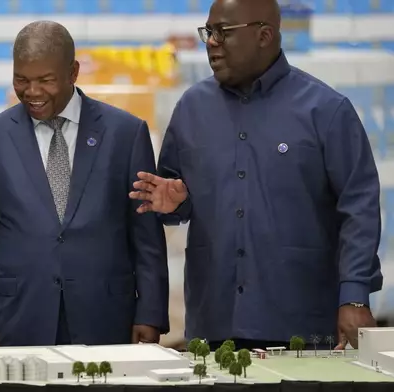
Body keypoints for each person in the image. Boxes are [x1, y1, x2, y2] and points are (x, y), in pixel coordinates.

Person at [129, 0, 382, 351]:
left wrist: (354, 297)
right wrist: (175, 203)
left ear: (264, 35)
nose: (211, 42)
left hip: (303, 327)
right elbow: (176, 199)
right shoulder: (191, 109)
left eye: (223, 33)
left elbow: (360, 209)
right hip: (214, 326)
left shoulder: (326, 110)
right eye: (208, 32)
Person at [0, 20, 169, 347]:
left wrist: (151, 313)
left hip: (107, 317)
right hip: (17, 319)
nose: (32, 92)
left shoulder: (126, 134)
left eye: (45, 80)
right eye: (22, 80)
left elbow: (146, 237)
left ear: (73, 72)